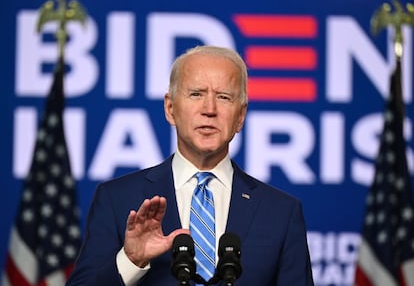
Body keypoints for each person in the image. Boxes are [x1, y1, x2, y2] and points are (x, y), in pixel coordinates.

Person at [66, 45, 314, 286]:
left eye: (224, 97)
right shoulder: (117, 199)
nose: (209, 109)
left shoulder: (281, 213)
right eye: (196, 94)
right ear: (170, 108)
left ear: (240, 117)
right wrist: (131, 261)